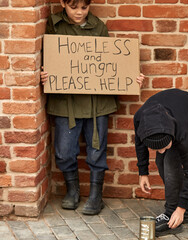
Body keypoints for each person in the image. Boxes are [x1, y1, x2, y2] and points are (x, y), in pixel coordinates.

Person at [40, 0, 144, 215]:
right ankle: (73, 190)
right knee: (64, 151)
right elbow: (47, 56)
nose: (79, 13)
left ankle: (96, 196)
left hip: (97, 102)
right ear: (63, 4)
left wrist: (130, 77)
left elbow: (109, 62)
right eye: (73, 7)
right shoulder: (54, 24)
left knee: (97, 151)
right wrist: (44, 73)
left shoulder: (99, 26)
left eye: (84, 8)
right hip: (65, 102)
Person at [133, 89, 188, 236]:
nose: (160, 150)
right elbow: (140, 145)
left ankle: (173, 213)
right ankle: (186, 212)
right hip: (170, 110)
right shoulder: (140, 119)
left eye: (163, 146)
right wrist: (143, 173)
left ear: (172, 137)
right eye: (156, 148)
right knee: (161, 160)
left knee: (171, 159)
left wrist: (180, 208)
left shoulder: (181, 132)